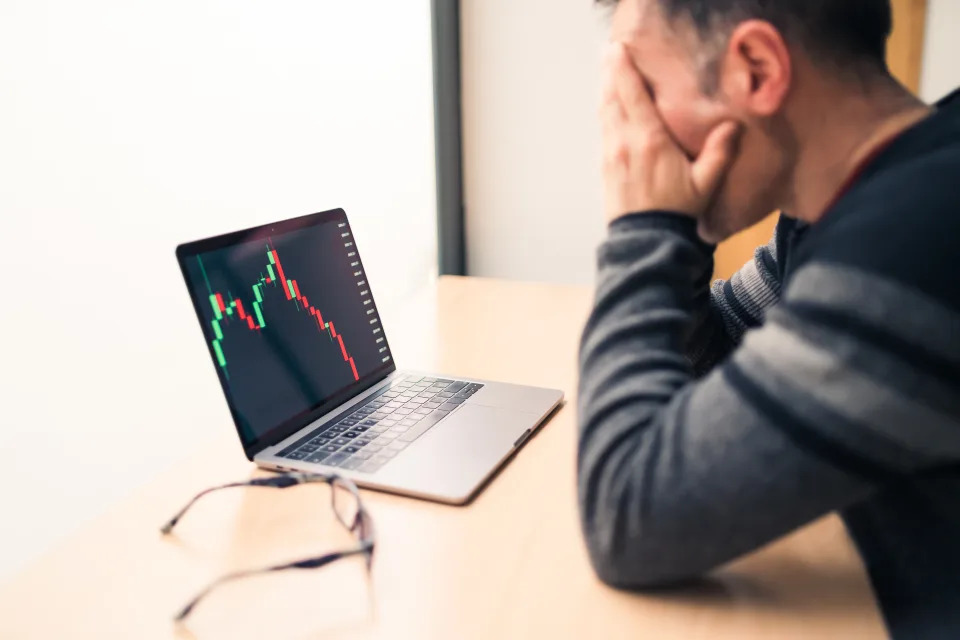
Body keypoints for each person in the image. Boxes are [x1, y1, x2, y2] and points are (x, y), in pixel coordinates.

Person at [577, 0, 960, 637]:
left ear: (756, 69)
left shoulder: (912, 246)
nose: (628, 132)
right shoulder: (860, 205)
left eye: (642, 91)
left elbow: (627, 512)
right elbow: (720, 351)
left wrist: (643, 226)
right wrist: (684, 226)